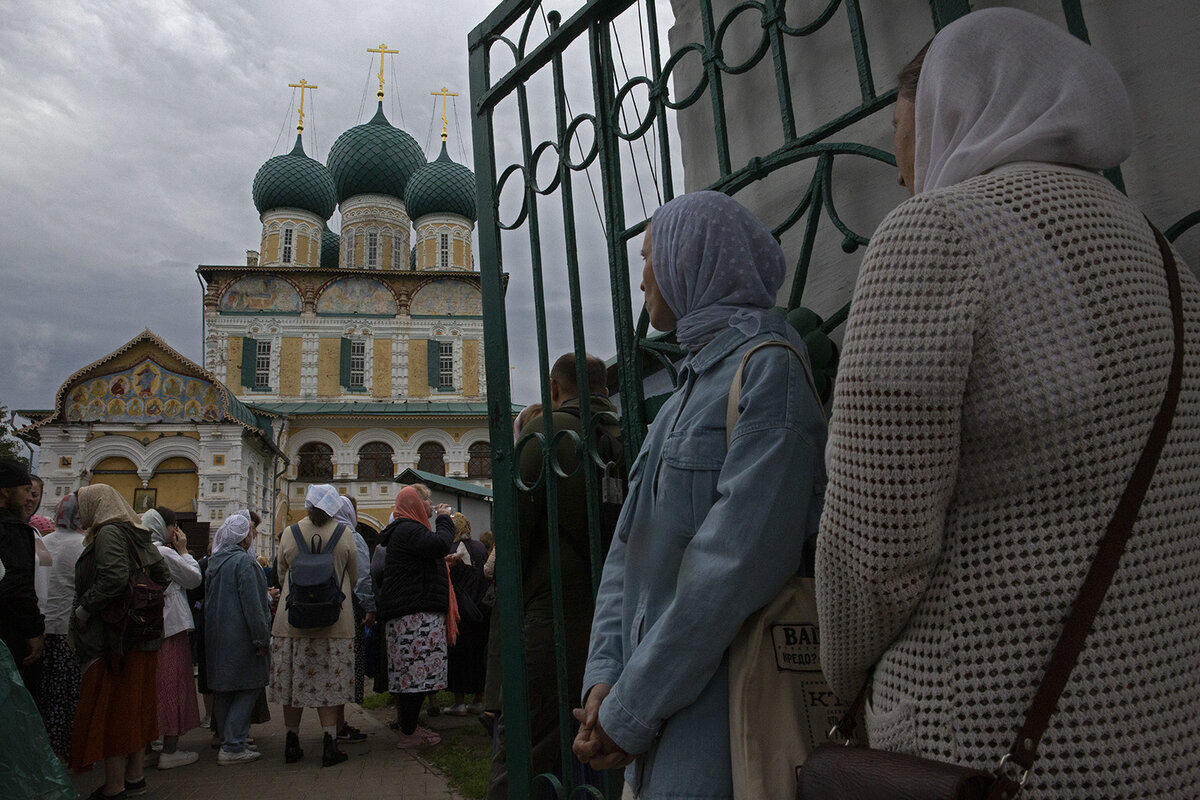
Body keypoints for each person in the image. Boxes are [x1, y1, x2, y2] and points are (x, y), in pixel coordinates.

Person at [815, 9, 1200, 798]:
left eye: (904, 128)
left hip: (985, 747)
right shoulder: (1164, 261)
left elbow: (872, 552)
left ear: (960, 104)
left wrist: (840, 670)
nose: (898, 165)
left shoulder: (935, 235)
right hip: (1159, 739)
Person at [572, 192, 828, 798]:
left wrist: (631, 707)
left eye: (648, 259)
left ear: (693, 258)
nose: (642, 279)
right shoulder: (682, 396)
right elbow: (625, 554)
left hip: (726, 716)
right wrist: (604, 681)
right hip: (648, 711)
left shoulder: (769, 372)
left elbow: (733, 566)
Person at [488, 352, 624, 799]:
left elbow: (515, 533)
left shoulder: (544, 433)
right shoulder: (631, 428)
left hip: (554, 615)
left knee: (528, 749)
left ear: (553, 388)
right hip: (624, 618)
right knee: (614, 744)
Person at [70, 483, 172, 800]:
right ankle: (135, 776)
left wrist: (86, 608)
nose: (80, 511)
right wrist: (141, 598)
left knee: (114, 708)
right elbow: (163, 575)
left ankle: (114, 785)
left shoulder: (109, 533)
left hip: (117, 638)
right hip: (141, 634)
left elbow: (113, 577)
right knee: (136, 706)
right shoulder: (136, 532)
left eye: (83, 504)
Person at [270, 483, 357, 767]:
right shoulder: (345, 534)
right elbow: (353, 578)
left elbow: (281, 575)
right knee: (329, 683)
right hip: (335, 622)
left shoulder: (290, 534)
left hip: (292, 621)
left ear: (307, 504)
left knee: (293, 681)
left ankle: (291, 741)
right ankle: (330, 742)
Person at [375, 485, 454, 748]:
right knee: (415, 678)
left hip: (412, 613)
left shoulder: (406, 530)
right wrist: (444, 519)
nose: (432, 506)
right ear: (416, 504)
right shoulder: (409, 529)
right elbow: (440, 544)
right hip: (414, 615)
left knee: (413, 677)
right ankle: (408, 733)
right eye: (428, 501)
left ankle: (408, 728)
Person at [205, 511, 271, 766]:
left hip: (218, 636)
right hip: (241, 637)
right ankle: (233, 745)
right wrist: (261, 639)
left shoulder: (215, 561)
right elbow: (254, 607)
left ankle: (228, 738)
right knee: (249, 686)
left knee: (224, 690)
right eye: (251, 534)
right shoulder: (245, 563)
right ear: (244, 539)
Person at [142, 507, 201, 769]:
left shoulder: (138, 549)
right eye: (173, 526)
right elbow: (193, 578)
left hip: (148, 629)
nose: (176, 532)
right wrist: (184, 551)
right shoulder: (163, 552)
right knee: (171, 687)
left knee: (151, 688)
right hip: (171, 627)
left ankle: (147, 746)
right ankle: (170, 749)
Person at [38, 493, 86, 759]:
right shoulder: (82, 545)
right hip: (69, 629)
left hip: (43, 628)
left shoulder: (43, 541)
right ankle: (69, 748)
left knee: (48, 693)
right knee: (68, 694)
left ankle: (48, 748)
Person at [0, 460, 44, 696]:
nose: (30, 498)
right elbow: (17, 585)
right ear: (6, 492)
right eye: (25, 491)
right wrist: (33, 631)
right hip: (9, 634)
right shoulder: (13, 531)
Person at [331, 494, 370, 744]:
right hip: (349, 608)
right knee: (347, 667)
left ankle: (333, 725)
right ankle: (339, 724)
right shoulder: (352, 537)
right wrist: (369, 606)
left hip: (324, 608)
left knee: (331, 667)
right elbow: (363, 577)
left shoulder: (323, 535)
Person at [444, 512, 488, 716]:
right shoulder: (480, 548)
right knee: (478, 655)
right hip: (479, 609)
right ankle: (478, 699)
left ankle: (459, 702)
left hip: (458, 610)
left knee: (457, 656)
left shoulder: (449, 550)